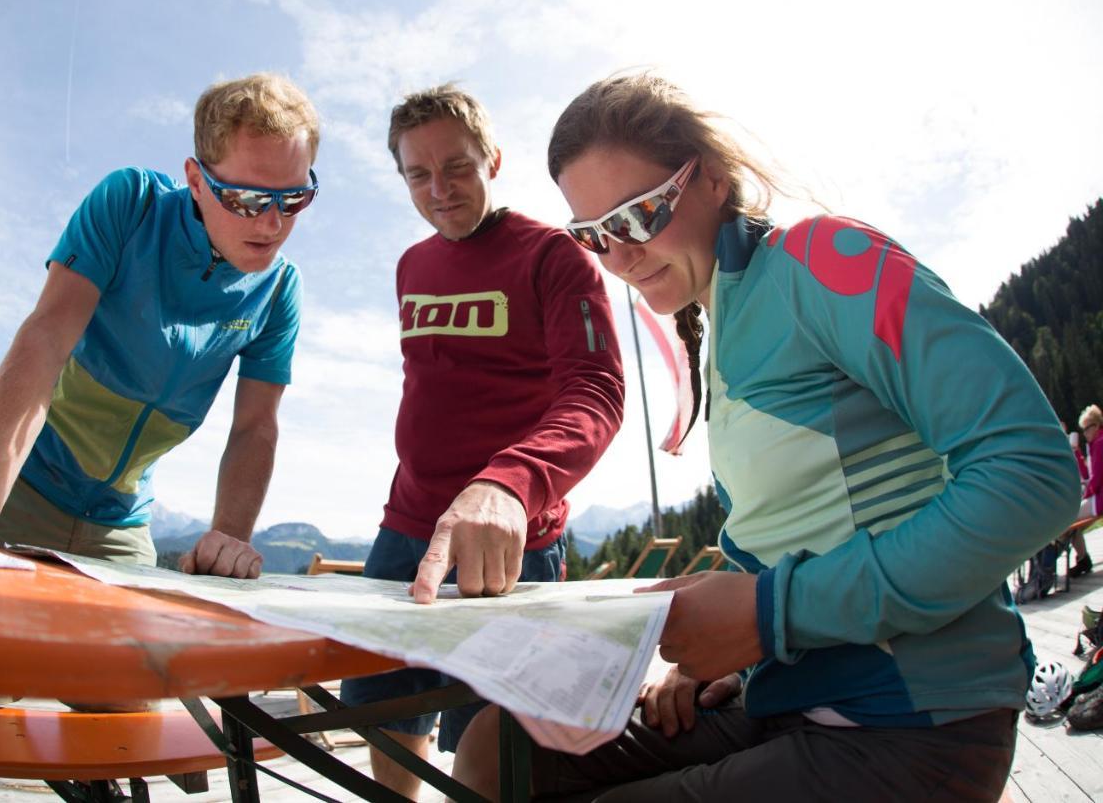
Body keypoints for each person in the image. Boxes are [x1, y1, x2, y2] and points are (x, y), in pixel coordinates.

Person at [453, 73, 1080, 802]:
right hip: (787, 691)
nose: (618, 256)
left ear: (712, 179)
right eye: (593, 236)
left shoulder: (824, 260)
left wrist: (768, 615)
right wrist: (725, 655)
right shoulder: (725, 320)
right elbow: (795, 527)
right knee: (498, 748)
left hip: (913, 719)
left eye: (638, 215)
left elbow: (1032, 473)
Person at [0, 73, 319, 579]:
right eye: (248, 199)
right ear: (197, 181)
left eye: (294, 199)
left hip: (122, 523)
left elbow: (254, 427)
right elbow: (47, 336)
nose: (273, 224)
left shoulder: (281, 289)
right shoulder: (131, 204)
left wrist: (230, 537)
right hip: (23, 488)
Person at [338, 84, 625, 798]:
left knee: (489, 762)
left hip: (512, 542)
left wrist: (509, 485)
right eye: (418, 174)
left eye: (458, 167)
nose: (440, 189)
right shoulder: (411, 266)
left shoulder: (557, 256)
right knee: (386, 721)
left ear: (493, 160)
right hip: (404, 533)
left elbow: (596, 393)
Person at [1069, 403, 1102, 577]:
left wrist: (1085, 495)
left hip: (1100, 499)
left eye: (1087, 428)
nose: (1085, 433)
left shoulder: (1101, 443)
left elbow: (1096, 480)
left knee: (1069, 519)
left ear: (1096, 425)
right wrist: (1076, 452)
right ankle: (1082, 559)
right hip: (1097, 496)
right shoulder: (1095, 444)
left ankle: (1082, 559)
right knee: (1070, 522)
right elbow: (1087, 475)